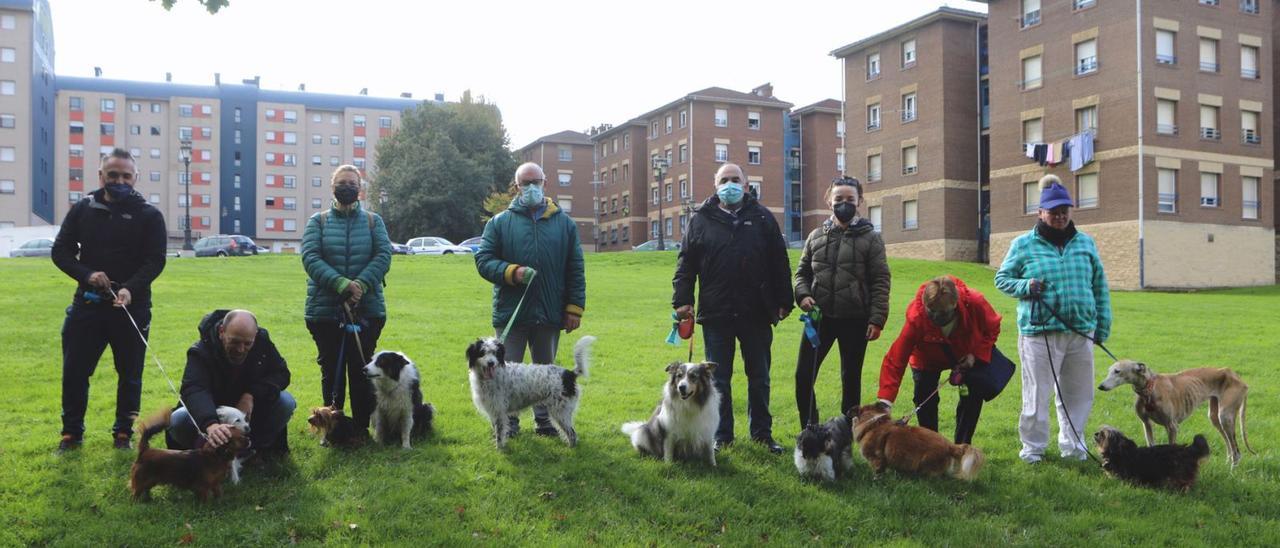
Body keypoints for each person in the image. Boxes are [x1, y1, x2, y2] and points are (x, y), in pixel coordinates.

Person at [51, 148, 167, 452]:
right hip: (87, 304)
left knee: (130, 375)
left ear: (135, 178)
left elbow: (155, 261)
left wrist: (130, 288)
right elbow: (60, 251)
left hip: (133, 306)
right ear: (101, 176)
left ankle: (123, 433)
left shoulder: (150, 216)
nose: (119, 180)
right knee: (75, 372)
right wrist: (87, 274)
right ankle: (71, 434)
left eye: (126, 176)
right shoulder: (83, 209)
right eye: (112, 175)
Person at [672, 163, 793, 454]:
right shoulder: (701, 219)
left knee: (760, 376)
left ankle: (762, 434)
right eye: (724, 180)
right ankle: (722, 434)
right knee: (718, 379)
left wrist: (784, 301)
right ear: (715, 186)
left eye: (735, 179)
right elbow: (685, 263)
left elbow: (779, 261)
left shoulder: (763, 217)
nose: (730, 184)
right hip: (716, 312)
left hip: (757, 311)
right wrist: (682, 300)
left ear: (746, 185)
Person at [995, 174, 1111, 463]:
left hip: (1081, 332)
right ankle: (1033, 450)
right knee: (1036, 394)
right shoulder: (1023, 245)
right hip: (1039, 333)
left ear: (1070, 211)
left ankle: (1073, 447)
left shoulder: (1086, 243)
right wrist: (1025, 286)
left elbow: (1099, 286)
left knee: (1078, 395)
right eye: (1053, 211)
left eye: (1064, 210)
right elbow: (1002, 279)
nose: (1060, 216)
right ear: (1040, 213)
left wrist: (1102, 325)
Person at [474, 162, 586, 436]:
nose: (532, 187)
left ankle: (544, 422)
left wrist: (574, 308)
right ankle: (507, 424)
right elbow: (483, 260)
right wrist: (512, 272)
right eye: (526, 183)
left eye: (536, 181)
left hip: (549, 312)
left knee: (545, 375)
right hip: (511, 312)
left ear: (545, 183)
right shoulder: (499, 223)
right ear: (516, 187)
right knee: (501, 373)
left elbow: (575, 267)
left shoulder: (565, 224)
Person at [301, 165, 392, 438]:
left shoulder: (374, 222)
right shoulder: (318, 221)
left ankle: (362, 429)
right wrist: (341, 284)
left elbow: (383, 256)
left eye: (352, 183)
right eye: (342, 182)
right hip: (324, 311)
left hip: (368, 309)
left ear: (360, 188)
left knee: (362, 370)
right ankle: (332, 428)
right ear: (332, 187)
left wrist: (360, 285)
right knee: (332, 370)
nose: (348, 187)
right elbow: (310, 257)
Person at [793, 176, 890, 427]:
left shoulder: (871, 239)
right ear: (829, 201)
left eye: (850, 199)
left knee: (851, 380)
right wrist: (803, 295)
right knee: (803, 376)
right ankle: (810, 430)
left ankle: (845, 436)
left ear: (860, 201)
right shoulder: (815, 237)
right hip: (819, 318)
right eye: (838, 199)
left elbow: (880, 280)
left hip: (855, 320)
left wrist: (877, 319)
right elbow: (801, 273)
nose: (844, 204)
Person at [877, 275, 1000, 444]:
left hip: (963, 357)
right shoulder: (917, 317)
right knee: (923, 397)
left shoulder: (975, 303)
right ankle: (932, 446)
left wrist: (975, 354)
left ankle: (962, 447)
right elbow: (896, 359)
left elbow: (992, 328)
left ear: (955, 305)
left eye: (941, 313)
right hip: (925, 359)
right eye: (931, 311)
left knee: (972, 396)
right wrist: (885, 402)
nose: (934, 317)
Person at [168, 309, 294, 455]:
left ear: (255, 335)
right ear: (222, 331)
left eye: (248, 343)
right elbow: (194, 389)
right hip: (212, 411)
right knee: (178, 419)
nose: (241, 349)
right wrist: (211, 423)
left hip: (250, 413)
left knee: (286, 401)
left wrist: (251, 394)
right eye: (235, 342)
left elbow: (281, 374)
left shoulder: (263, 343)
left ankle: (254, 449)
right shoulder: (200, 351)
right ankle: (203, 453)